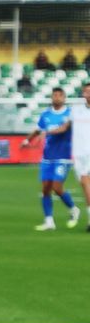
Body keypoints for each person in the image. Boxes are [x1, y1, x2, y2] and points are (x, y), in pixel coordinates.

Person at [22, 87, 78, 231]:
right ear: (51, 97)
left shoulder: (70, 114)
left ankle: (73, 209)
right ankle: (49, 221)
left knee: (57, 187)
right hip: (47, 157)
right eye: (54, 95)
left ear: (64, 98)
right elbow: (37, 130)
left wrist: (48, 132)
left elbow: (63, 129)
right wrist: (27, 140)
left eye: (60, 95)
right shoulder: (46, 114)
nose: (57, 97)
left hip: (63, 157)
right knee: (46, 189)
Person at [71, 82, 90, 232]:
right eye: (86, 91)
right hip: (78, 154)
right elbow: (66, 126)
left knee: (85, 182)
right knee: (84, 185)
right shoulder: (76, 110)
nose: (88, 94)